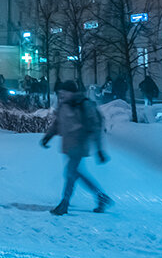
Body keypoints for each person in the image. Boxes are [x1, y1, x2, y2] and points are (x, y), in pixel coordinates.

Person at [41, 80, 112, 216]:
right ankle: (102, 197)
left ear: (71, 92)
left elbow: (95, 127)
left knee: (70, 174)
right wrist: (47, 137)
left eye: (63, 93)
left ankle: (64, 204)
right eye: (60, 93)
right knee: (75, 173)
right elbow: (57, 124)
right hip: (68, 145)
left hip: (80, 145)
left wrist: (99, 149)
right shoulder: (64, 105)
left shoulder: (84, 104)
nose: (61, 95)